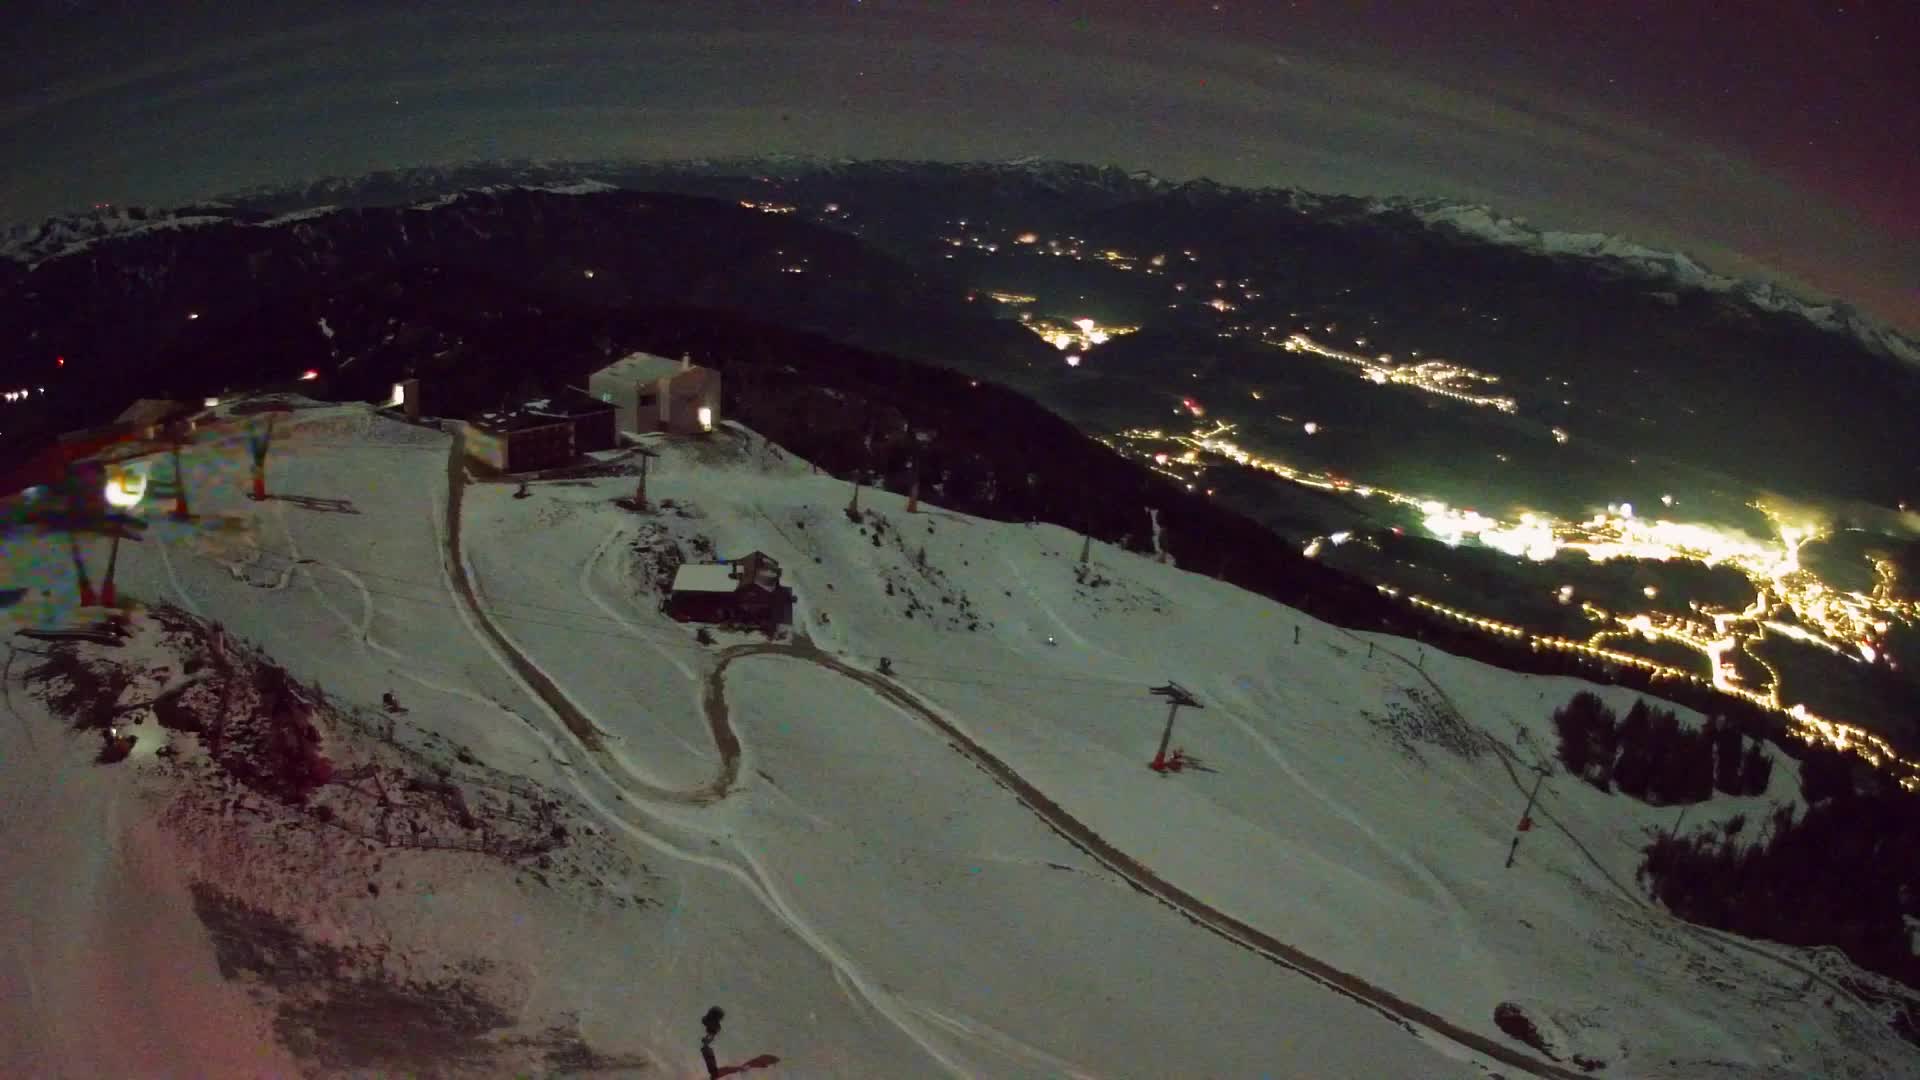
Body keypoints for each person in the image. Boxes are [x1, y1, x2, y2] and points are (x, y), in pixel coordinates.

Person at [701, 1006, 725, 1078]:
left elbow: (711, 1037)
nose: (719, 1020)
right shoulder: (705, 1022)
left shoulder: (717, 1027)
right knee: (714, 1073)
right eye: (718, 1018)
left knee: (714, 1073)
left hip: (708, 1049)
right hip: (706, 1050)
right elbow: (710, 1037)